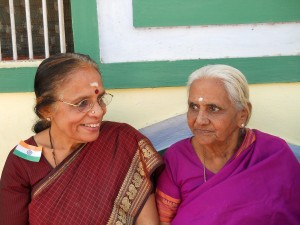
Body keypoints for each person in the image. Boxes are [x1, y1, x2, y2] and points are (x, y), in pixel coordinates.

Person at [0, 53, 163, 225]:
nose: (99, 112)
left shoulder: (122, 141)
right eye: (82, 103)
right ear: (47, 109)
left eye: (100, 99)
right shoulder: (21, 164)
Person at [156, 65, 300, 224]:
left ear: (242, 115)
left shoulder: (273, 154)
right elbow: (164, 221)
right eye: (194, 107)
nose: (200, 120)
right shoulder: (177, 157)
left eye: (213, 108)